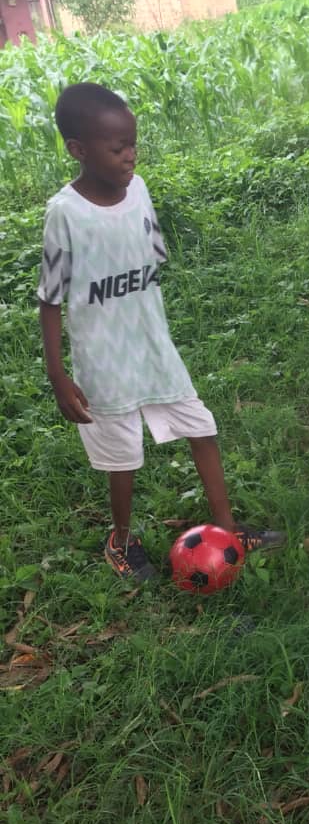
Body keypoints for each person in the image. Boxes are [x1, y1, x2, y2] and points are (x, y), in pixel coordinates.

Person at [39, 83, 286, 582]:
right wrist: (58, 376)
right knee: (123, 455)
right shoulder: (65, 213)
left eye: (133, 144)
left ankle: (227, 529)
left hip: (153, 346)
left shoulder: (139, 191)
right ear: (79, 150)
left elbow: (150, 258)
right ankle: (121, 539)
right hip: (104, 360)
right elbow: (50, 299)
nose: (130, 155)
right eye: (118, 148)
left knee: (202, 425)